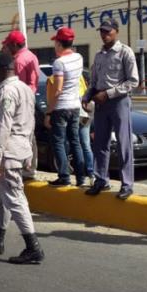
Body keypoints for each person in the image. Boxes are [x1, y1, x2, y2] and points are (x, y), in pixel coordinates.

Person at [0, 53, 44, 264]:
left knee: (14, 199)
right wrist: (29, 152)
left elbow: (2, 126)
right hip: (20, 149)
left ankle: (33, 247)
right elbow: (30, 122)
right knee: (3, 198)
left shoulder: (7, 91)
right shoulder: (25, 88)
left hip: (7, 153)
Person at [83, 18, 139, 200]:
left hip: (119, 102)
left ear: (116, 31)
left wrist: (108, 94)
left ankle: (127, 184)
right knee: (100, 144)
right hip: (100, 103)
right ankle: (101, 180)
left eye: (108, 31)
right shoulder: (99, 55)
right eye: (102, 31)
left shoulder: (125, 52)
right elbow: (94, 81)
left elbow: (133, 81)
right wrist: (86, 96)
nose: (104, 35)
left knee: (123, 144)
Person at [45, 26, 85, 187]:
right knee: (75, 142)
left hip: (61, 107)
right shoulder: (79, 57)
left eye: (55, 42)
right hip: (75, 106)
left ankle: (64, 176)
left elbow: (58, 89)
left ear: (60, 44)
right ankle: (81, 178)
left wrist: (49, 111)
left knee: (59, 143)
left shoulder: (59, 63)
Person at [1, 30, 40, 179]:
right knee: (30, 134)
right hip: (29, 100)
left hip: (20, 101)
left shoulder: (18, 60)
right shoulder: (31, 56)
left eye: (9, 45)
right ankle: (31, 167)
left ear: (15, 45)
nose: (8, 48)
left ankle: (25, 167)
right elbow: (34, 82)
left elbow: (17, 83)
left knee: (18, 134)